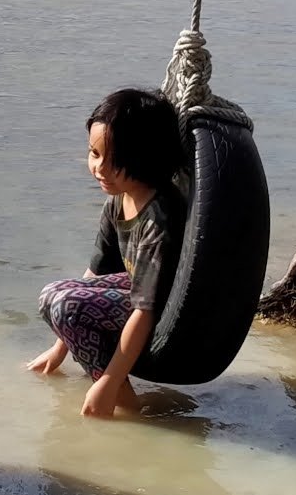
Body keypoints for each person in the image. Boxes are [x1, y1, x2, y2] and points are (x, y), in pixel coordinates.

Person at [26, 88, 188, 419]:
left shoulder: (160, 218)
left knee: (67, 303)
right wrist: (60, 348)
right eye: (94, 154)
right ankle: (117, 395)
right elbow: (93, 276)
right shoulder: (117, 201)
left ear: (145, 157)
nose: (100, 168)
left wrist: (110, 381)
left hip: (161, 313)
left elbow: (146, 310)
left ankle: (127, 403)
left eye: (113, 160)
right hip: (132, 298)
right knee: (52, 296)